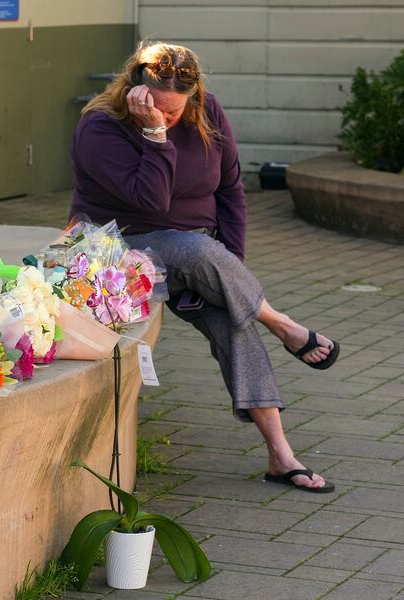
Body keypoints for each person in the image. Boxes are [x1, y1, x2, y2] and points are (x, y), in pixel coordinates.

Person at [70, 41, 339, 493]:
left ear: (194, 96)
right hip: (121, 252)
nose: (168, 117)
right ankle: (281, 321)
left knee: (233, 320)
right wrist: (155, 135)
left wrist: (230, 267)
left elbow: (231, 191)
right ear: (135, 89)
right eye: (158, 107)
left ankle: (280, 454)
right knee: (192, 249)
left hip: (198, 254)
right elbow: (150, 203)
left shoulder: (207, 111)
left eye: (175, 112)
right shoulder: (101, 126)